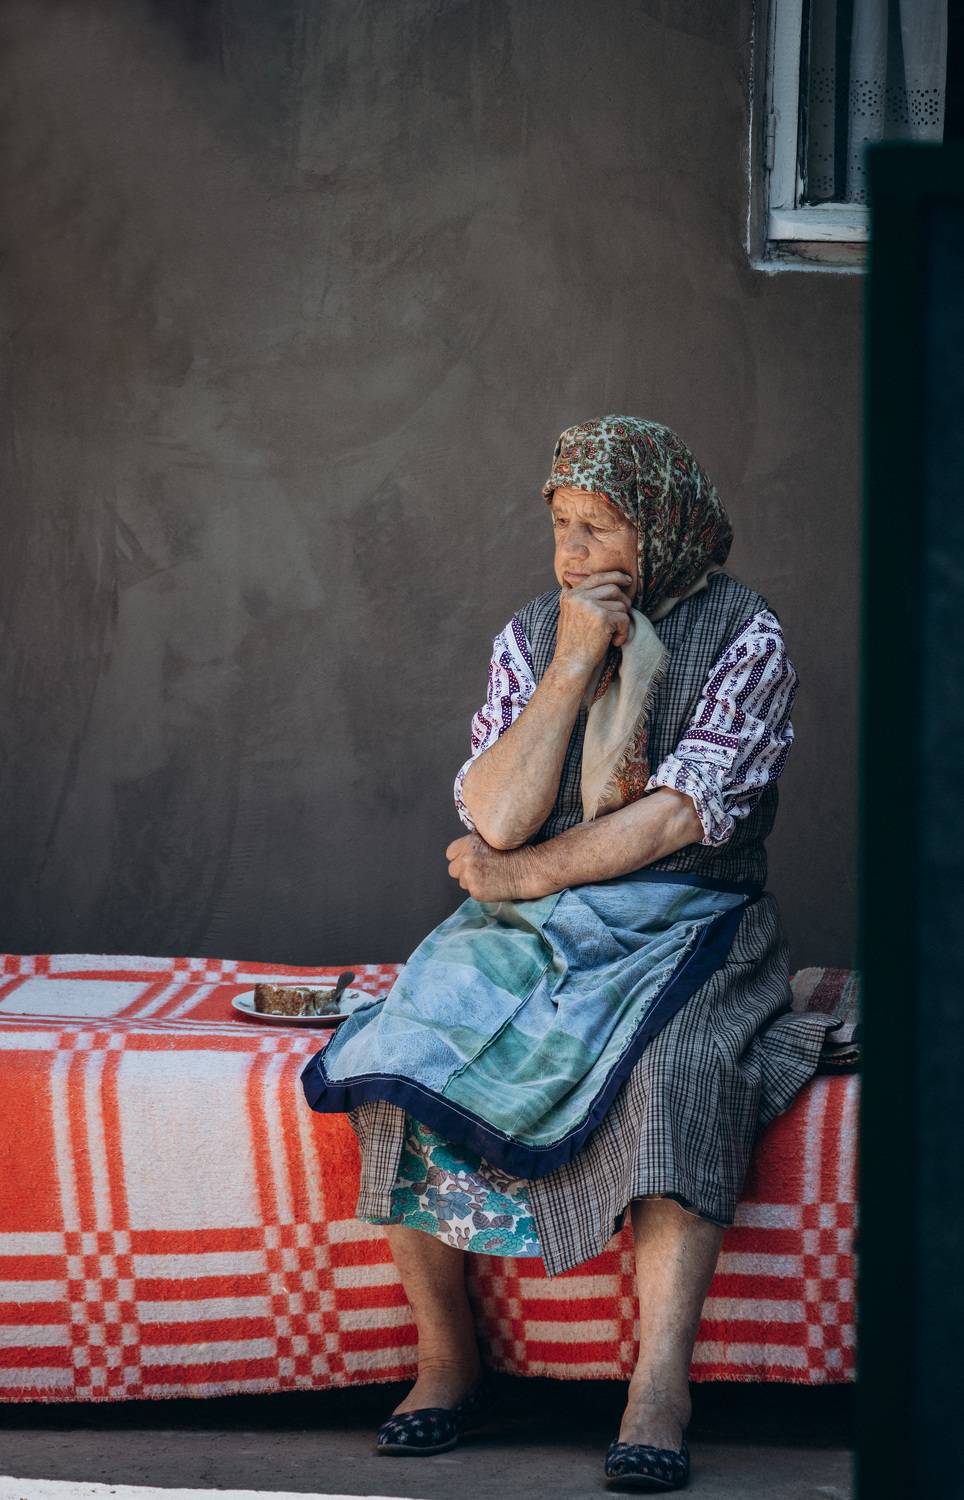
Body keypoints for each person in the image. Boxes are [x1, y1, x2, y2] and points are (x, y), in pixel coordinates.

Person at [301, 415, 838, 1491]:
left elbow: (678, 818)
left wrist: (522, 877)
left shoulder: (745, 635)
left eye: (601, 527)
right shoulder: (531, 635)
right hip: (538, 926)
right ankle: (448, 1362)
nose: (574, 554)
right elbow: (499, 817)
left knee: (683, 1070)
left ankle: (658, 1389)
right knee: (402, 1045)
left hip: (690, 918)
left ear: (664, 527)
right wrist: (571, 665)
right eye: (561, 527)